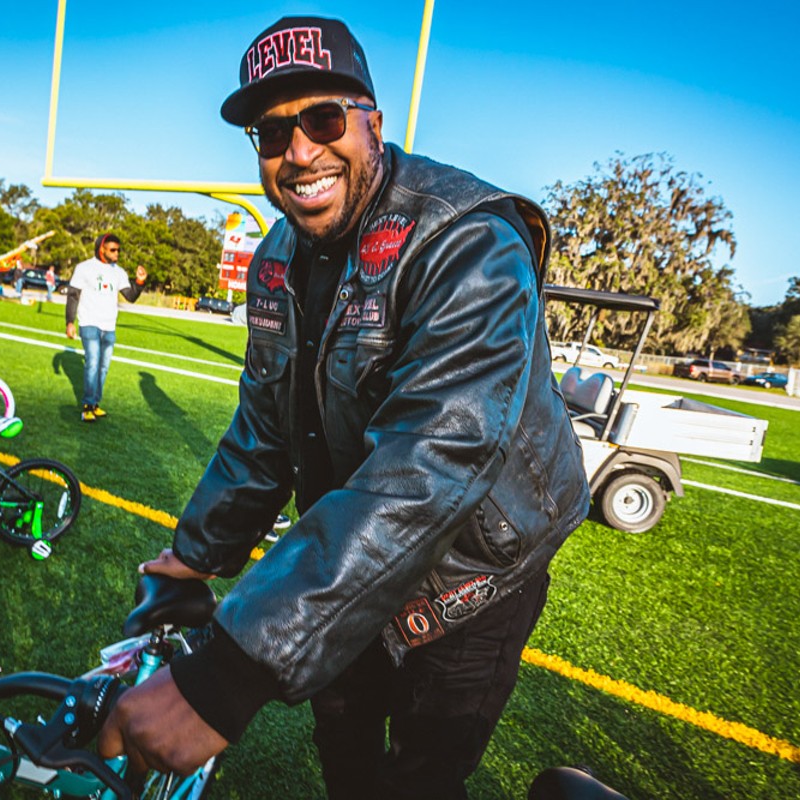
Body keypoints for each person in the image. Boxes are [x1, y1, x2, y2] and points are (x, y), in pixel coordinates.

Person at [99, 15, 590, 799]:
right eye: (271, 132)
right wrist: (195, 553)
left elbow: (436, 461)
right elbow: (264, 430)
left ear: (372, 123)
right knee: (348, 762)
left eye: (323, 118)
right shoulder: (275, 258)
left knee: (420, 781)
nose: (298, 151)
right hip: (350, 545)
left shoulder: (467, 239)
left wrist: (225, 678)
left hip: (476, 570)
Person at [64, 233, 147, 421]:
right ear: (102, 249)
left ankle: (95, 403)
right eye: (113, 250)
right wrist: (70, 322)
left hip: (109, 326)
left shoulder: (119, 272)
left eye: (118, 250)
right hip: (89, 323)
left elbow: (130, 296)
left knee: (103, 367)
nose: (117, 253)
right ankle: (87, 406)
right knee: (92, 363)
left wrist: (140, 282)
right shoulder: (84, 268)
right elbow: (73, 296)